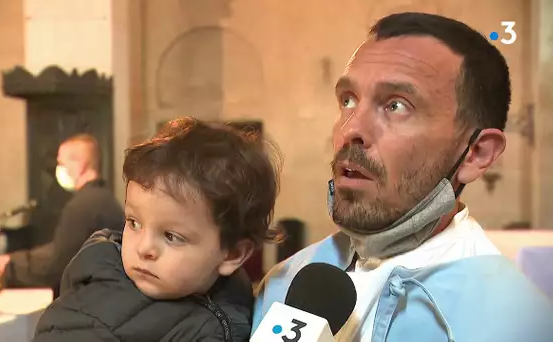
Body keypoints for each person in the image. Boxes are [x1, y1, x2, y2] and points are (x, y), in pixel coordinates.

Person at [253, 12, 553, 342]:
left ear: (476, 153)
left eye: (396, 106)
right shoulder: (284, 282)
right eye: (348, 100)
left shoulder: (511, 326)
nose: (350, 128)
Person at [32, 117, 282, 341]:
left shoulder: (237, 297)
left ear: (231, 254)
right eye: (134, 223)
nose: (144, 248)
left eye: (171, 236)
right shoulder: (92, 312)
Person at [0, 134, 125, 298]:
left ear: (80, 164)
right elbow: (61, 249)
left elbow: (57, 265)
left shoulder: (83, 206)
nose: (58, 170)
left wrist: (8, 266)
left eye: (61, 163)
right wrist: (10, 260)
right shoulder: (103, 199)